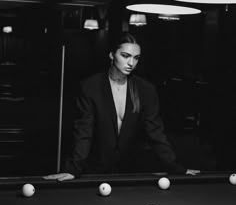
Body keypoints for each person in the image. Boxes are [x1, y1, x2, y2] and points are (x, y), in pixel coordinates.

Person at [44, 32, 198, 181]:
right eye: (125, 56)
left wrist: (176, 168)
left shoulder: (145, 90)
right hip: (94, 170)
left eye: (136, 58)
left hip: (129, 170)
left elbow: (156, 133)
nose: (131, 63)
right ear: (112, 55)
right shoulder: (90, 87)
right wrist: (72, 169)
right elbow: (84, 131)